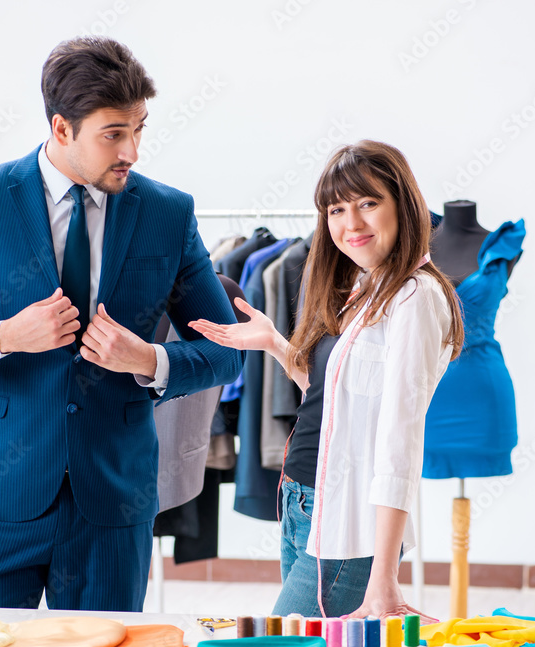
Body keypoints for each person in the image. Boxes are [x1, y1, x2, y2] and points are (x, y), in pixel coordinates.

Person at [0, 36, 242, 612]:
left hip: (112, 506)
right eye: (113, 134)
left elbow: (227, 352)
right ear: (61, 129)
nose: (132, 150)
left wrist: (148, 360)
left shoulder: (167, 213)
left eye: (139, 129)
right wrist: (1, 337)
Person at [191, 140, 463, 620]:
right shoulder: (365, 285)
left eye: (368, 203)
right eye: (336, 209)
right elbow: (334, 397)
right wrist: (275, 343)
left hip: (349, 521)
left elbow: (400, 439)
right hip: (302, 500)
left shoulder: (414, 298)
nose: (350, 223)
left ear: (404, 206)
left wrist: (384, 578)